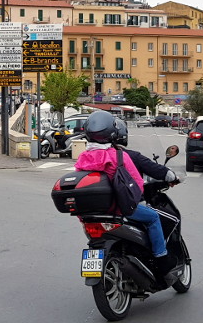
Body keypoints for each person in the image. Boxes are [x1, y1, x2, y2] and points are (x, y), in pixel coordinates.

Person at [74, 110, 178, 279]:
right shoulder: (118, 156)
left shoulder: (83, 157)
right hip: (120, 209)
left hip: (94, 214)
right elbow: (136, 183)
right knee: (153, 218)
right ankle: (161, 258)